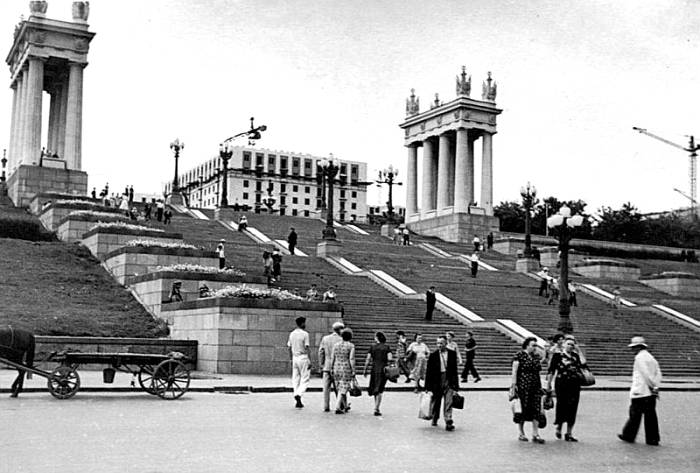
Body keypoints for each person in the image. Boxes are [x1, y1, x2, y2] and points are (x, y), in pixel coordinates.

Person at [618, 336, 662, 446]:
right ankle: (653, 438)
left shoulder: (639, 358)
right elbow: (658, 373)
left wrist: (651, 386)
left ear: (638, 347)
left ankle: (628, 435)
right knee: (650, 415)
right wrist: (656, 386)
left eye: (633, 347)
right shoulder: (651, 358)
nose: (632, 350)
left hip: (641, 390)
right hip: (650, 392)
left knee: (634, 414)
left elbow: (645, 374)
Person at [546, 336, 586, 441]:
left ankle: (569, 432)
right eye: (568, 344)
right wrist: (549, 384)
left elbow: (583, 363)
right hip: (562, 384)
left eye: (572, 344)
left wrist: (579, 351)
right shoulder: (557, 356)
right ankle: (559, 427)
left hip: (574, 384)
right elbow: (551, 371)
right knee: (562, 406)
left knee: (573, 408)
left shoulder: (575, 356)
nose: (570, 346)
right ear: (563, 344)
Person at [511, 337, 545, 443]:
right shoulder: (519, 355)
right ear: (527, 345)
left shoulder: (536, 356)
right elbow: (514, 371)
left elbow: (538, 371)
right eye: (533, 345)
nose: (535, 347)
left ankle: (535, 433)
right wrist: (513, 386)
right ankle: (521, 433)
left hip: (535, 386)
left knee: (536, 409)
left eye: (535, 345)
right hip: (523, 386)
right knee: (522, 409)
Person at [425, 335, 459, 431]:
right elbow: (429, 372)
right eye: (438, 343)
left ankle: (448, 420)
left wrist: (456, 386)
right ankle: (435, 418)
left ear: (445, 343)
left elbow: (454, 371)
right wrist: (427, 387)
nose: (439, 345)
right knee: (437, 401)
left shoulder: (452, 354)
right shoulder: (433, 355)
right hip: (437, 381)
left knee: (449, 402)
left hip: (448, 380)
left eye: (441, 343)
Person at [363, 331, 393, 416]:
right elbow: (390, 358)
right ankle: (377, 408)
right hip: (383, 369)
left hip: (374, 369)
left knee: (375, 387)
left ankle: (376, 406)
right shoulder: (387, 347)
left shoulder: (372, 347)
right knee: (380, 389)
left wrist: (365, 370)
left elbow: (368, 359)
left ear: (377, 338)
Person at [318, 321, 344, 412]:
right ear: (340, 329)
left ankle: (326, 405)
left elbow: (321, 352)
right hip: (338, 366)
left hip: (327, 366)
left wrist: (321, 364)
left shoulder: (325, 338)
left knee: (326, 387)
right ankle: (341, 405)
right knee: (339, 387)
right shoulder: (342, 340)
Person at [287, 316, 310, 409]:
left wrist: (290, 359)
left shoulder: (292, 334)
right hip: (303, 357)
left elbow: (289, 347)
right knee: (305, 378)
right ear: (302, 323)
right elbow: (307, 347)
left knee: (295, 378)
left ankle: (296, 394)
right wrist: (310, 359)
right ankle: (299, 394)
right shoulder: (305, 334)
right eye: (304, 323)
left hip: (294, 357)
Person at [331, 328, 356, 414]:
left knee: (340, 386)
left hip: (336, 366)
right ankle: (338, 406)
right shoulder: (351, 346)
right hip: (346, 367)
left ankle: (345, 406)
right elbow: (351, 358)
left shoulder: (336, 345)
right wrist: (353, 370)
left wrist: (331, 367)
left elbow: (332, 357)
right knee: (344, 386)